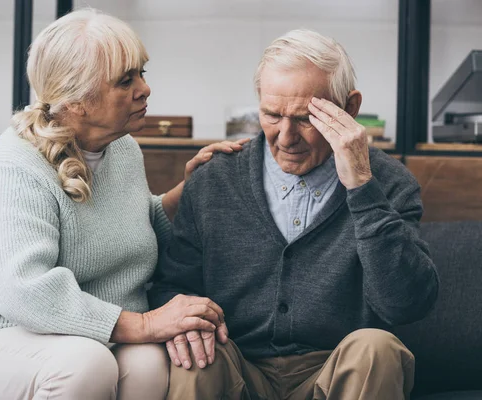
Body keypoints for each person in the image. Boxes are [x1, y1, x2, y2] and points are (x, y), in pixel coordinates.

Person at [0, 8, 246, 400]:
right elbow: (25, 291)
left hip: (75, 336)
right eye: (125, 81)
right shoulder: (15, 166)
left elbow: (134, 225)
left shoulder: (122, 149)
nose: (144, 89)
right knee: (86, 364)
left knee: (147, 363)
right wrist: (143, 324)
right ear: (76, 101)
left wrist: (189, 191)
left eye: (142, 73)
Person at [149, 29, 439, 400]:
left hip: (338, 371)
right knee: (194, 356)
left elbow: (407, 304)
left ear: (349, 109)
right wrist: (183, 319)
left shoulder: (388, 182)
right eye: (272, 114)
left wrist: (362, 189)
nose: (286, 137)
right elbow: (169, 286)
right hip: (236, 364)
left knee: (377, 348)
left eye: (305, 118)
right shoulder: (214, 178)